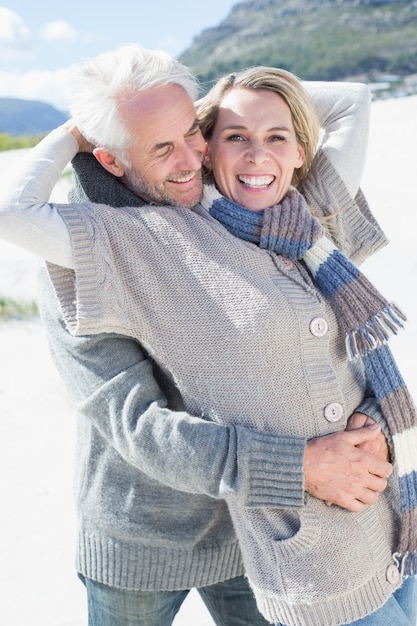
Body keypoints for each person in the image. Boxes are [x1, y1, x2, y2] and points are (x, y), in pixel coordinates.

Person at [1, 45, 413, 625]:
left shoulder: (263, 214)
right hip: (146, 537)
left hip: (260, 531)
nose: (191, 158)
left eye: (194, 134)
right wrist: (78, 131)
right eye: (162, 147)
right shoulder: (92, 253)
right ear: (112, 159)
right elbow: (137, 426)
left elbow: (348, 103)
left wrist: (219, 107)